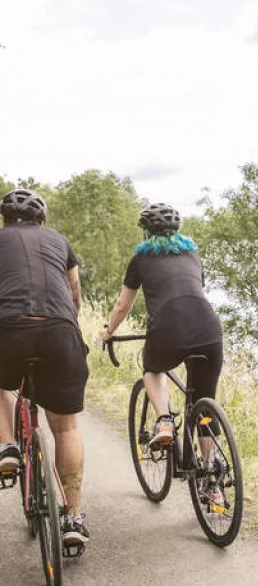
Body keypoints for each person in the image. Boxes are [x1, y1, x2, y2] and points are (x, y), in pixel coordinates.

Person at [0, 189, 90, 547]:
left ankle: (7, 446)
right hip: (59, 331)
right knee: (66, 428)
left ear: (5, 220)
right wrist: (68, 323)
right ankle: (72, 518)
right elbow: (75, 294)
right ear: (43, 220)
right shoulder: (59, 240)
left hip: (8, 329)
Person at [101, 203, 223, 451]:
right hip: (210, 329)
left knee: (153, 370)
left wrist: (108, 331)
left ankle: (164, 421)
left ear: (145, 231)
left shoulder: (140, 259)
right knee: (205, 402)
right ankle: (212, 478)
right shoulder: (193, 256)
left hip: (168, 329)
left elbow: (123, 305)